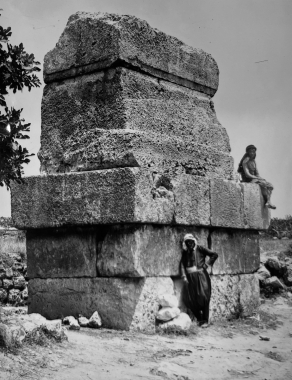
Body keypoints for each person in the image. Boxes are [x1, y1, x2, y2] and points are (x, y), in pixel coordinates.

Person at [180, 233, 218, 327]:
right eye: (187, 242)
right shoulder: (185, 252)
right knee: (188, 299)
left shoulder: (200, 248)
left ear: (194, 241)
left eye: (191, 241)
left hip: (201, 277)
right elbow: (182, 264)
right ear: (185, 243)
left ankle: (205, 320)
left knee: (204, 297)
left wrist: (207, 264)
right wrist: (184, 276)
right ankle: (200, 319)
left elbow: (214, 254)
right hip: (190, 278)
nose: (190, 244)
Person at [238, 145, 276, 209]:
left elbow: (257, 173)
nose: (252, 153)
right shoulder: (245, 161)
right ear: (248, 152)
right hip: (248, 179)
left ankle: (268, 202)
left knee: (269, 186)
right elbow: (247, 174)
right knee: (265, 185)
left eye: (253, 151)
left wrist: (260, 178)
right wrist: (256, 178)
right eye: (250, 152)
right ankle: (268, 202)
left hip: (254, 178)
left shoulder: (253, 161)